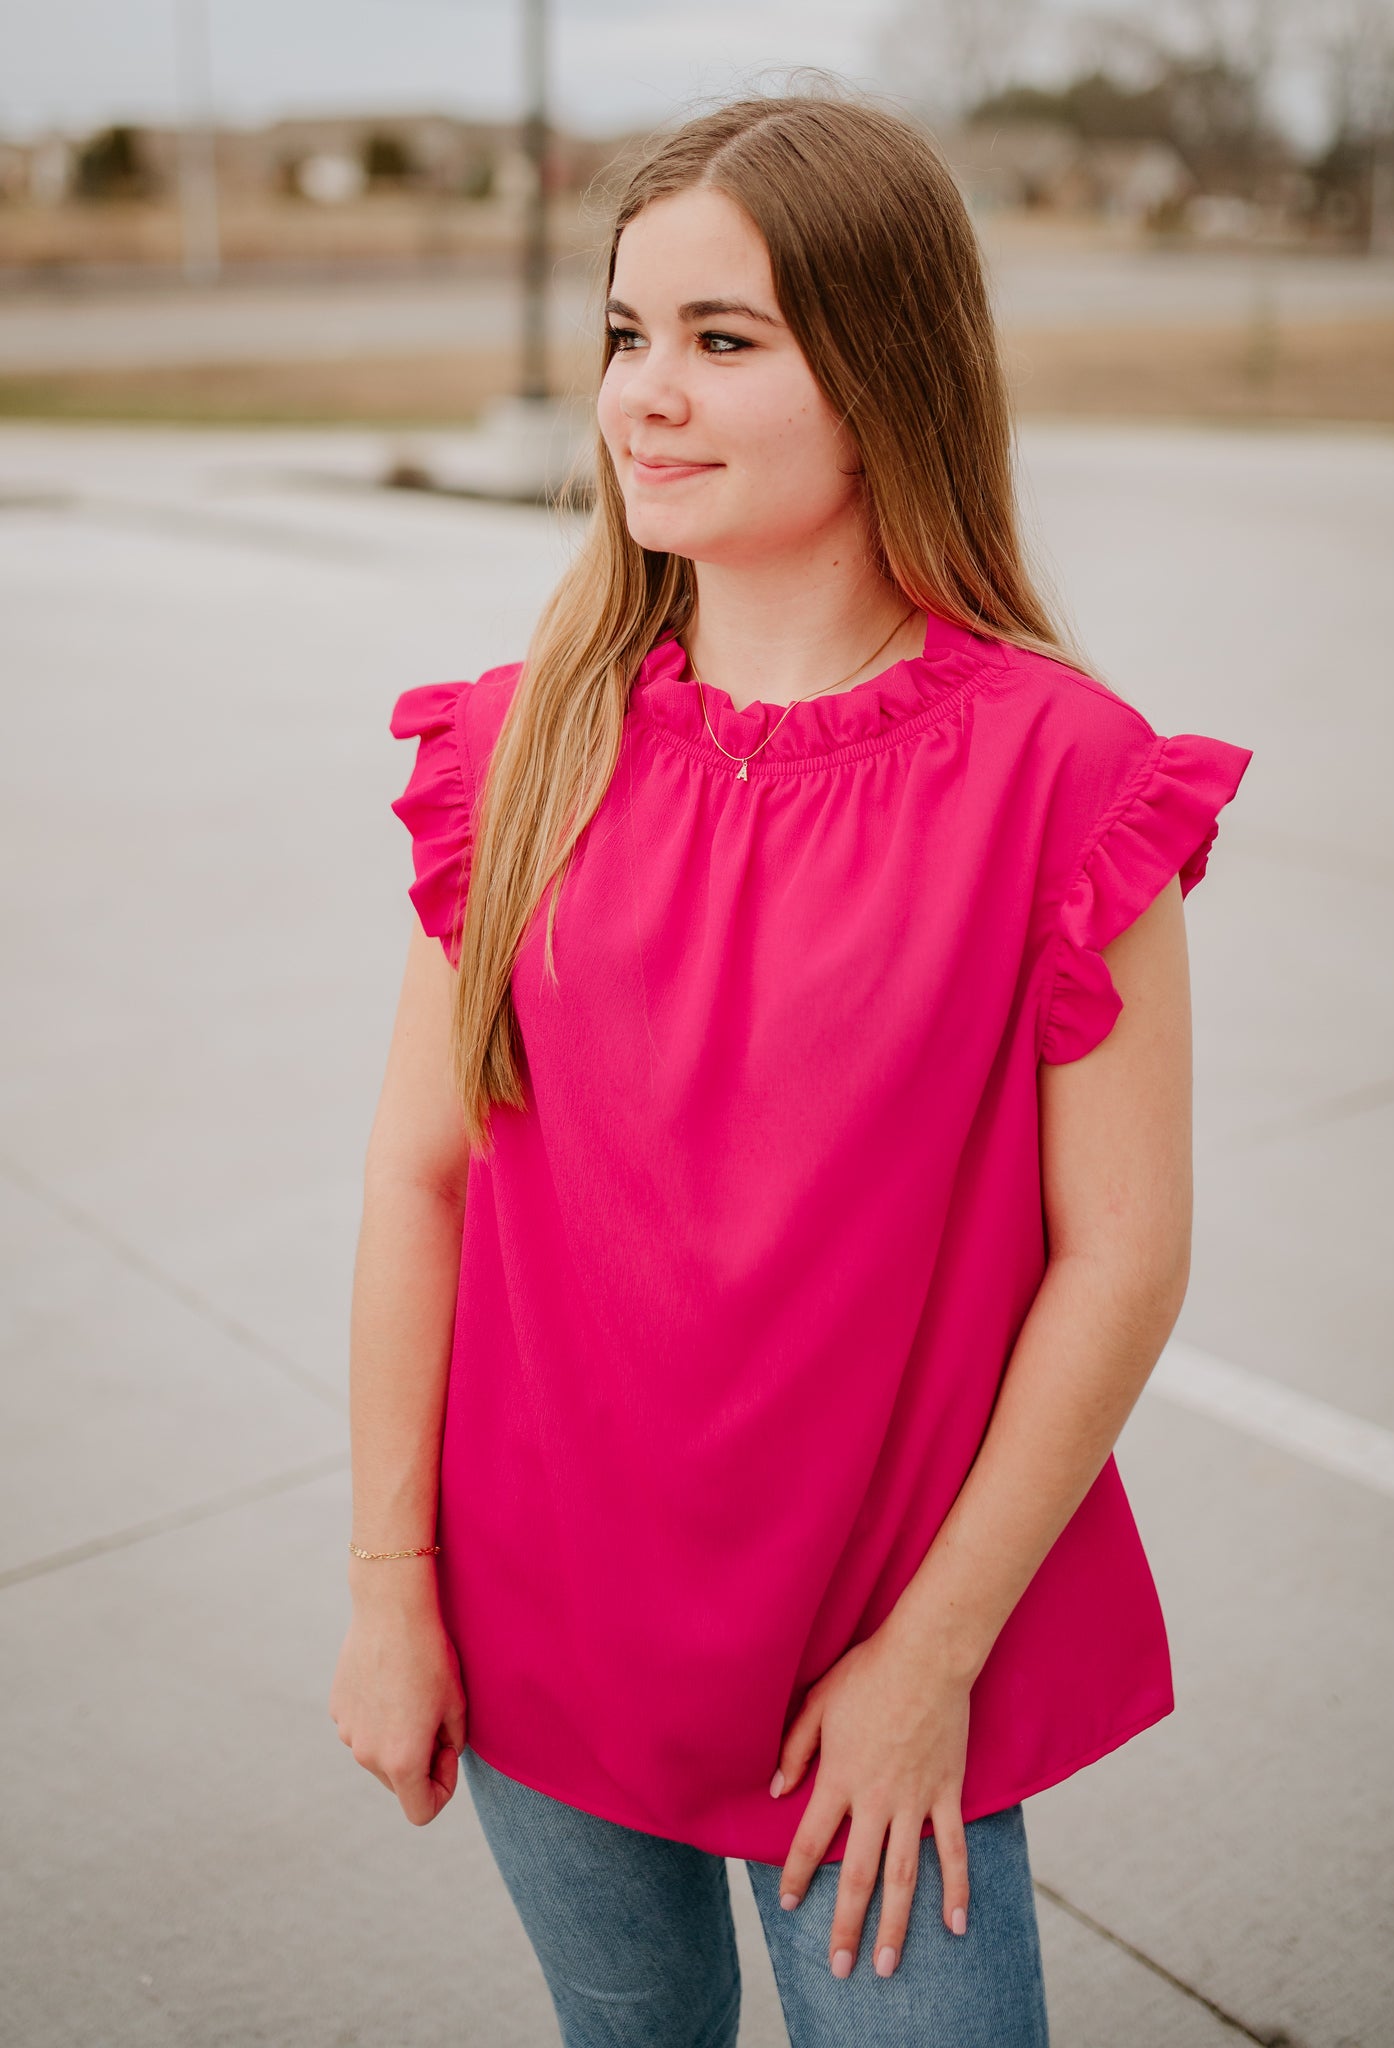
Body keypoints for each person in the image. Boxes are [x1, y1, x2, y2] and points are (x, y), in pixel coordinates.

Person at [329, 88, 1254, 2048]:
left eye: (723, 339)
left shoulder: (1062, 772)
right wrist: (392, 1582)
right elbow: (422, 1180)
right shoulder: (522, 751)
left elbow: (1125, 1253)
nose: (646, 396)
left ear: (881, 365)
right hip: (542, 1633)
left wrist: (930, 1658)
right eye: (625, 334)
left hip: (877, 1674)